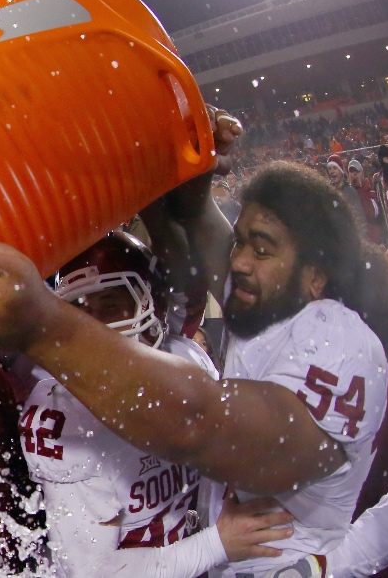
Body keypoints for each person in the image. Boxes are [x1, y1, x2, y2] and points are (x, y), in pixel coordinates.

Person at [0, 162, 388, 576]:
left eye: (260, 250)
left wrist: (44, 327)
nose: (238, 262)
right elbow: (201, 245)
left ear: (316, 276)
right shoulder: (267, 308)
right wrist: (179, 180)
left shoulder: (338, 345)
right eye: (240, 243)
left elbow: (200, 425)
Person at [21, 232, 293, 577]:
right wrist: (216, 544)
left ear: (153, 302)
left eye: (109, 305)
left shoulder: (185, 361)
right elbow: (91, 572)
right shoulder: (63, 415)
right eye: (78, 309)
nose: (91, 327)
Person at [348, 159, 383, 245]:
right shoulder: (347, 193)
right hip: (358, 238)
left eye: (357, 171)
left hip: (373, 237)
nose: (355, 174)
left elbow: (374, 213)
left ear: (362, 173)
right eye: (352, 171)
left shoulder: (371, 192)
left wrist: (360, 190)